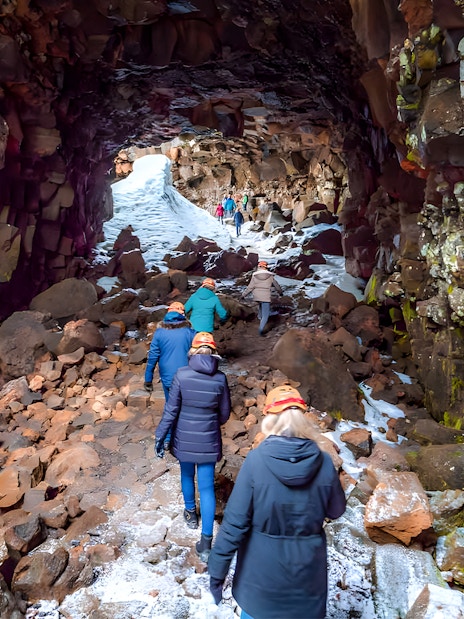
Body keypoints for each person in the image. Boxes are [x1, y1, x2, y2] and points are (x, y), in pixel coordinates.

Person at [207, 385, 347, 619]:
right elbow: (336, 510)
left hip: (259, 584)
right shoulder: (323, 462)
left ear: (270, 420)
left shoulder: (256, 461)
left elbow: (234, 524)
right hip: (307, 584)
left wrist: (216, 576)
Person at [154, 331, 231, 562]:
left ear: (193, 351)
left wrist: (160, 436)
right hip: (208, 439)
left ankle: (190, 514)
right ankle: (206, 544)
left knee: (187, 474)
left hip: (184, 437)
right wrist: (209, 421)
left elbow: (171, 410)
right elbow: (225, 414)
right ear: (213, 352)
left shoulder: (181, 375)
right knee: (207, 487)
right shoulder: (220, 379)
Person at [144, 301, 195, 400]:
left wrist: (148, 379)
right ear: (183, 314)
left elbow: (152, 357)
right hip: (187, 375)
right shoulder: (191, 333)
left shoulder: (159, 333)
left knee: (171, 405)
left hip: (167, 375)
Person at [241, 261, 282, 335]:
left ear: (259, 267)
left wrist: (243, 295)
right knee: (265, 315)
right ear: (266, 267)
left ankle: (260, 317)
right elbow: (276, 285)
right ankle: (260, 331)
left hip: (256, 296)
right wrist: (280, 292)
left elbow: (250, 287)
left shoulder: (254, 275)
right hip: (265, 296)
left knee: (261, 307)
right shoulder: (270, 276)